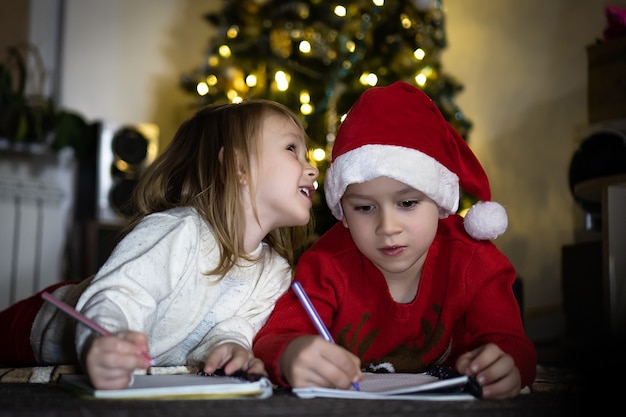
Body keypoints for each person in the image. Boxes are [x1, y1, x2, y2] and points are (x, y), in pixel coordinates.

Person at [0, 99, 319, 390]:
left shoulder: (274, 272)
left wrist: (229, 349)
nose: (312, 168)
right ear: (239, 166)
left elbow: (232, 328)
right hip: (43, 324)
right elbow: (117, 297)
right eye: (292, 149)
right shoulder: (178, 231)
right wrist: (103, 341)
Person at [253, 81, 537, 400]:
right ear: (342, 213)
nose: (388, 227)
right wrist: (291, 352)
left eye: (407, 203)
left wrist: (507, 364)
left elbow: (514, 345)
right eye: (363, 208)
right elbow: (272, 339)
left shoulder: (474, 259)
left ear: (440, 201)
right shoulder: (325, 265)